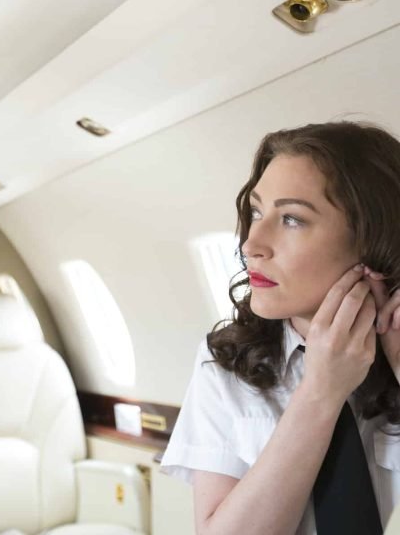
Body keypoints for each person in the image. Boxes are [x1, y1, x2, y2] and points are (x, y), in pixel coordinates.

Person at [161, 121, 400, 535]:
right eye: (256, 212)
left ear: (372, 240)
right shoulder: (225, 362)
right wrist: (321, 392)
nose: (251, 243)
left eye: (291, 219)